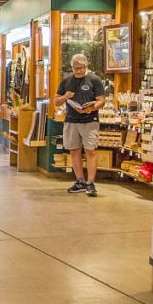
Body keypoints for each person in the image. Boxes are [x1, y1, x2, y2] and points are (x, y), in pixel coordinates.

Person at [53, 53, 106, 197]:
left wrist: (91, 107)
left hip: (90, 120)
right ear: (72, 68)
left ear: (86, 67)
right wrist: (66, 97)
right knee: (74, 150)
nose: (78, 71)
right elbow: (56, 101)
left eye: (81, 68)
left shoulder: (94, 80)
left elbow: (101, 100)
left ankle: (90, 183)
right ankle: (80, 181)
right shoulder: (66, 81)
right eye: (76, 68)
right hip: (71, 120)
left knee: (91, 150)